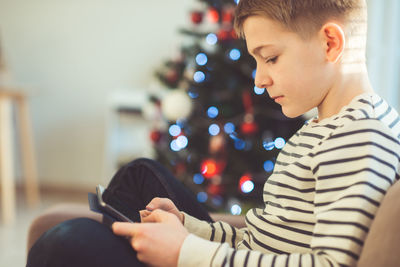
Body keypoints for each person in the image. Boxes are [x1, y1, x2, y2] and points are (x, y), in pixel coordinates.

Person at [27, 0, 400, 266]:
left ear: (330, 43)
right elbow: (261, 239)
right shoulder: (323, 128)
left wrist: (184, 252)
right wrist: (186, 229)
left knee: (67, 242)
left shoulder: (360, 135)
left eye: (270, 57)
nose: (258, 79)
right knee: (141, 175)